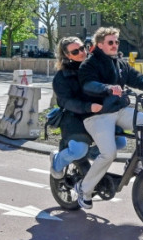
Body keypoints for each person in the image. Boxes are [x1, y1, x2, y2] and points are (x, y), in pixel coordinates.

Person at [76, 27, 143, 209]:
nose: (115, 45)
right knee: (109, 153)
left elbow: (138, 80)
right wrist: (107, 88)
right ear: (100, 45)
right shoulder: (90, 64)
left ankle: (135, 163)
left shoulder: (120, 63)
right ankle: (84, 189)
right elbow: (88, 85)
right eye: (110, 42)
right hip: (97, 115)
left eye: (116, 42)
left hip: (119, 110)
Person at [49, 37, 108, 180]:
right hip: (73, 118)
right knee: (79, 150)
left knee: (120, 141)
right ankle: (57, 160)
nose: (82, 52)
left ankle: (91, 155)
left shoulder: (93, 68)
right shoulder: (62, 77)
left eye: (83, 48)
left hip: (96, 116)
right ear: (67, 56)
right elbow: (65, 102)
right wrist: (88, 106)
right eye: (75, 51)